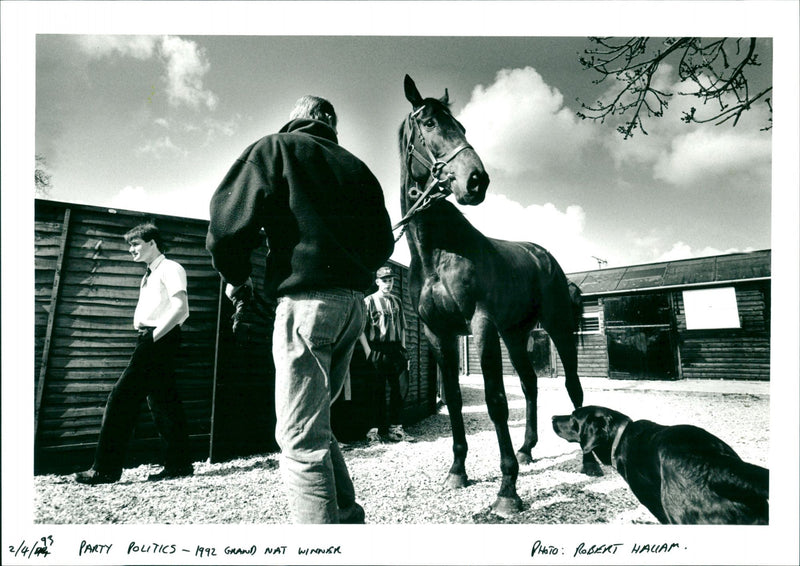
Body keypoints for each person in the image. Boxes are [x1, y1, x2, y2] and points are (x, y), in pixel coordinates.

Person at [206, 95, 394, 524]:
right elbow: (383, 243)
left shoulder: (275, 148)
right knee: (317, 424)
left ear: (295, 118)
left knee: (299, 437)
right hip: (353, 311)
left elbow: (225, 227)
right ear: (330, 122)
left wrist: (238, 278)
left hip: (306, 308)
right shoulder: (358, 168)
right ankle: (346, 518)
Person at [76, 223, 193, 485]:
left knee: (120, 399)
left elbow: (181, 309)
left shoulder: (170, 268)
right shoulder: (151, 274)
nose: (131, 250)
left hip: (158, 339)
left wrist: (152, 338)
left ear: (152, 242)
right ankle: (180, 464)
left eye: (135, 244)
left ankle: (105, 469)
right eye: (130, 245)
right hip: (153, 339)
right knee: (164, 402)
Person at [361, 266, 414, 444]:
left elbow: (403, 327)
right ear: (377, 282)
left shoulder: (397, 301)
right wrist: (368, 351)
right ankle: (373, 432)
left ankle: (395, 430)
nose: (388, 284)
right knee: (376, 390)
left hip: (396, 350)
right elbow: (361, 330)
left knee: (400, 388)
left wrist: (404, 349)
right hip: (377, 349)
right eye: (385, 280)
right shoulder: (368, 301)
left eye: (391, 280)